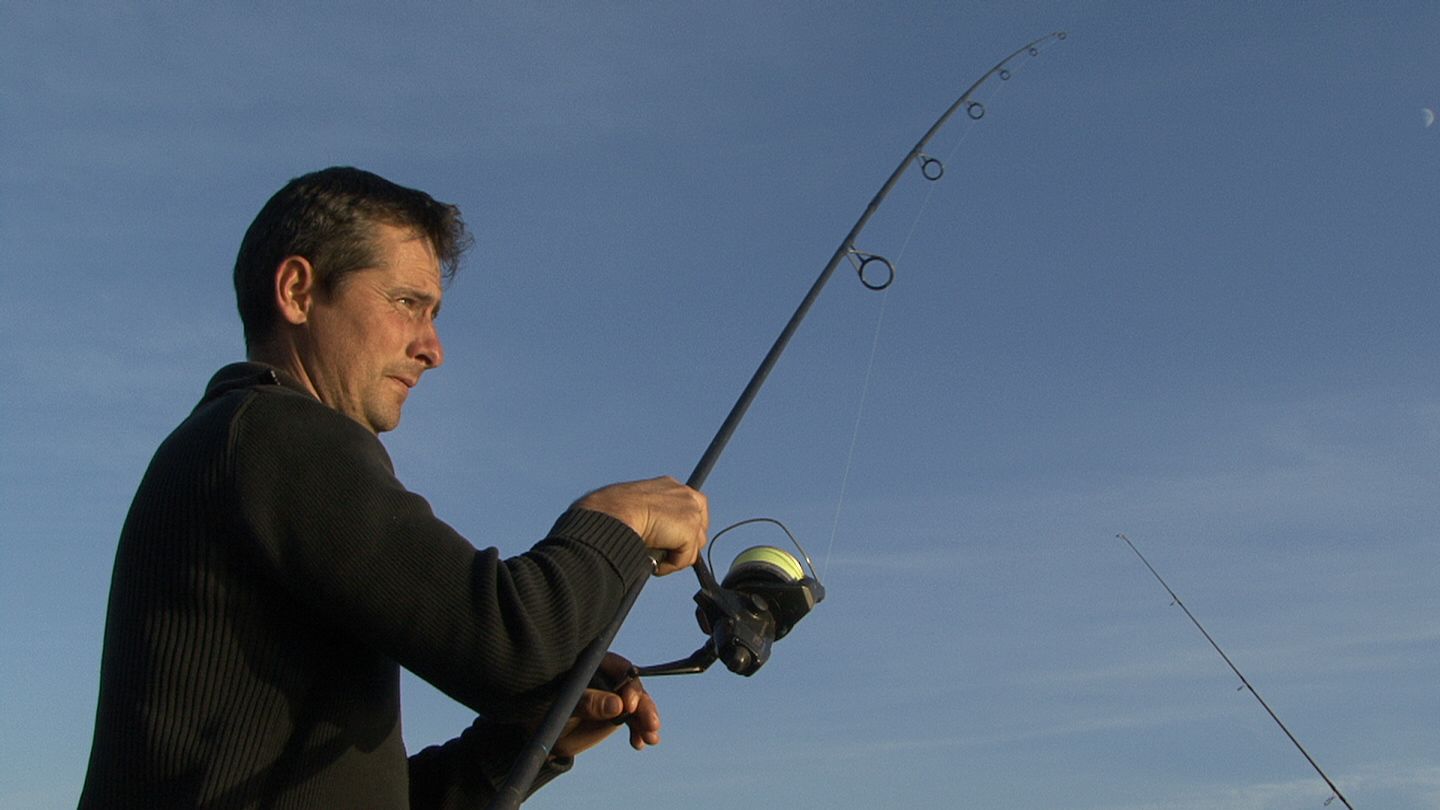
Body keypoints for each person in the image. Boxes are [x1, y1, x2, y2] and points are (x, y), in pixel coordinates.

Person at [78, 166, 708, 809]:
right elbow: (506, 644)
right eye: (407, 303)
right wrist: (616, 519)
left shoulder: (239, 445)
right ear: (297, 292)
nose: (432, 348)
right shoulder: (274, 429)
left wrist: (522, 745)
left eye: (432, 314)